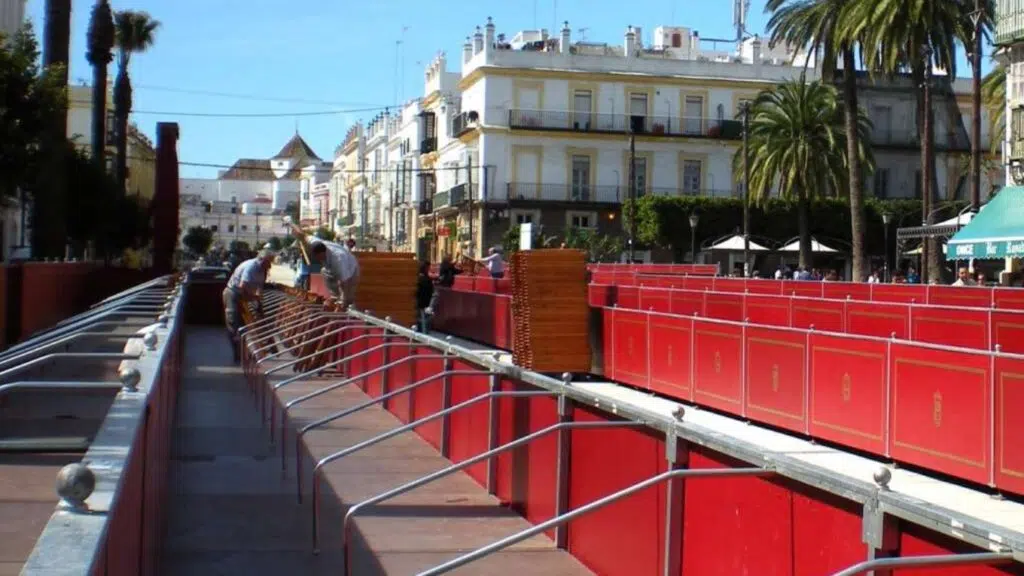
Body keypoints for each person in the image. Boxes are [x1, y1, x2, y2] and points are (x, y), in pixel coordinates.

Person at [223, 249, 275, 364]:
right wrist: (253, 298)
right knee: (234, 324)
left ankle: (246, 353)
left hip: (246, 294)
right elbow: (242, 287)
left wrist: (258, 301)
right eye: (269, 262)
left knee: (244, 325)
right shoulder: (251, 267)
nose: (271, 265)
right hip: (234, 293)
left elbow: (259, 287)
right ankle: (237, 356)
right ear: (262, 260)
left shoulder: (263, 269)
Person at [290, 224, 360, 307]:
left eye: (318, 257)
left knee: (347, 297)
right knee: (324, 271)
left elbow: (345, 282)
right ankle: (335, 298)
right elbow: (302, 235)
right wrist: (292, 224)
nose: (317, 259)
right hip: (331, 267)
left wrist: (343, 301)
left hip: (351, 269)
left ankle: (347, 309)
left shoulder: (338, 259)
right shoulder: (314, 243)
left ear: (323, 253)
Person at [416, 260, 434, 332]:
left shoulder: (418, 277)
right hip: (423, 301)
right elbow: (430, 290)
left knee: (421, 317)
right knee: (423, 317)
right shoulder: (426, 279)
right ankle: (423, 331)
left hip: (419, 301)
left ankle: (422, 331)